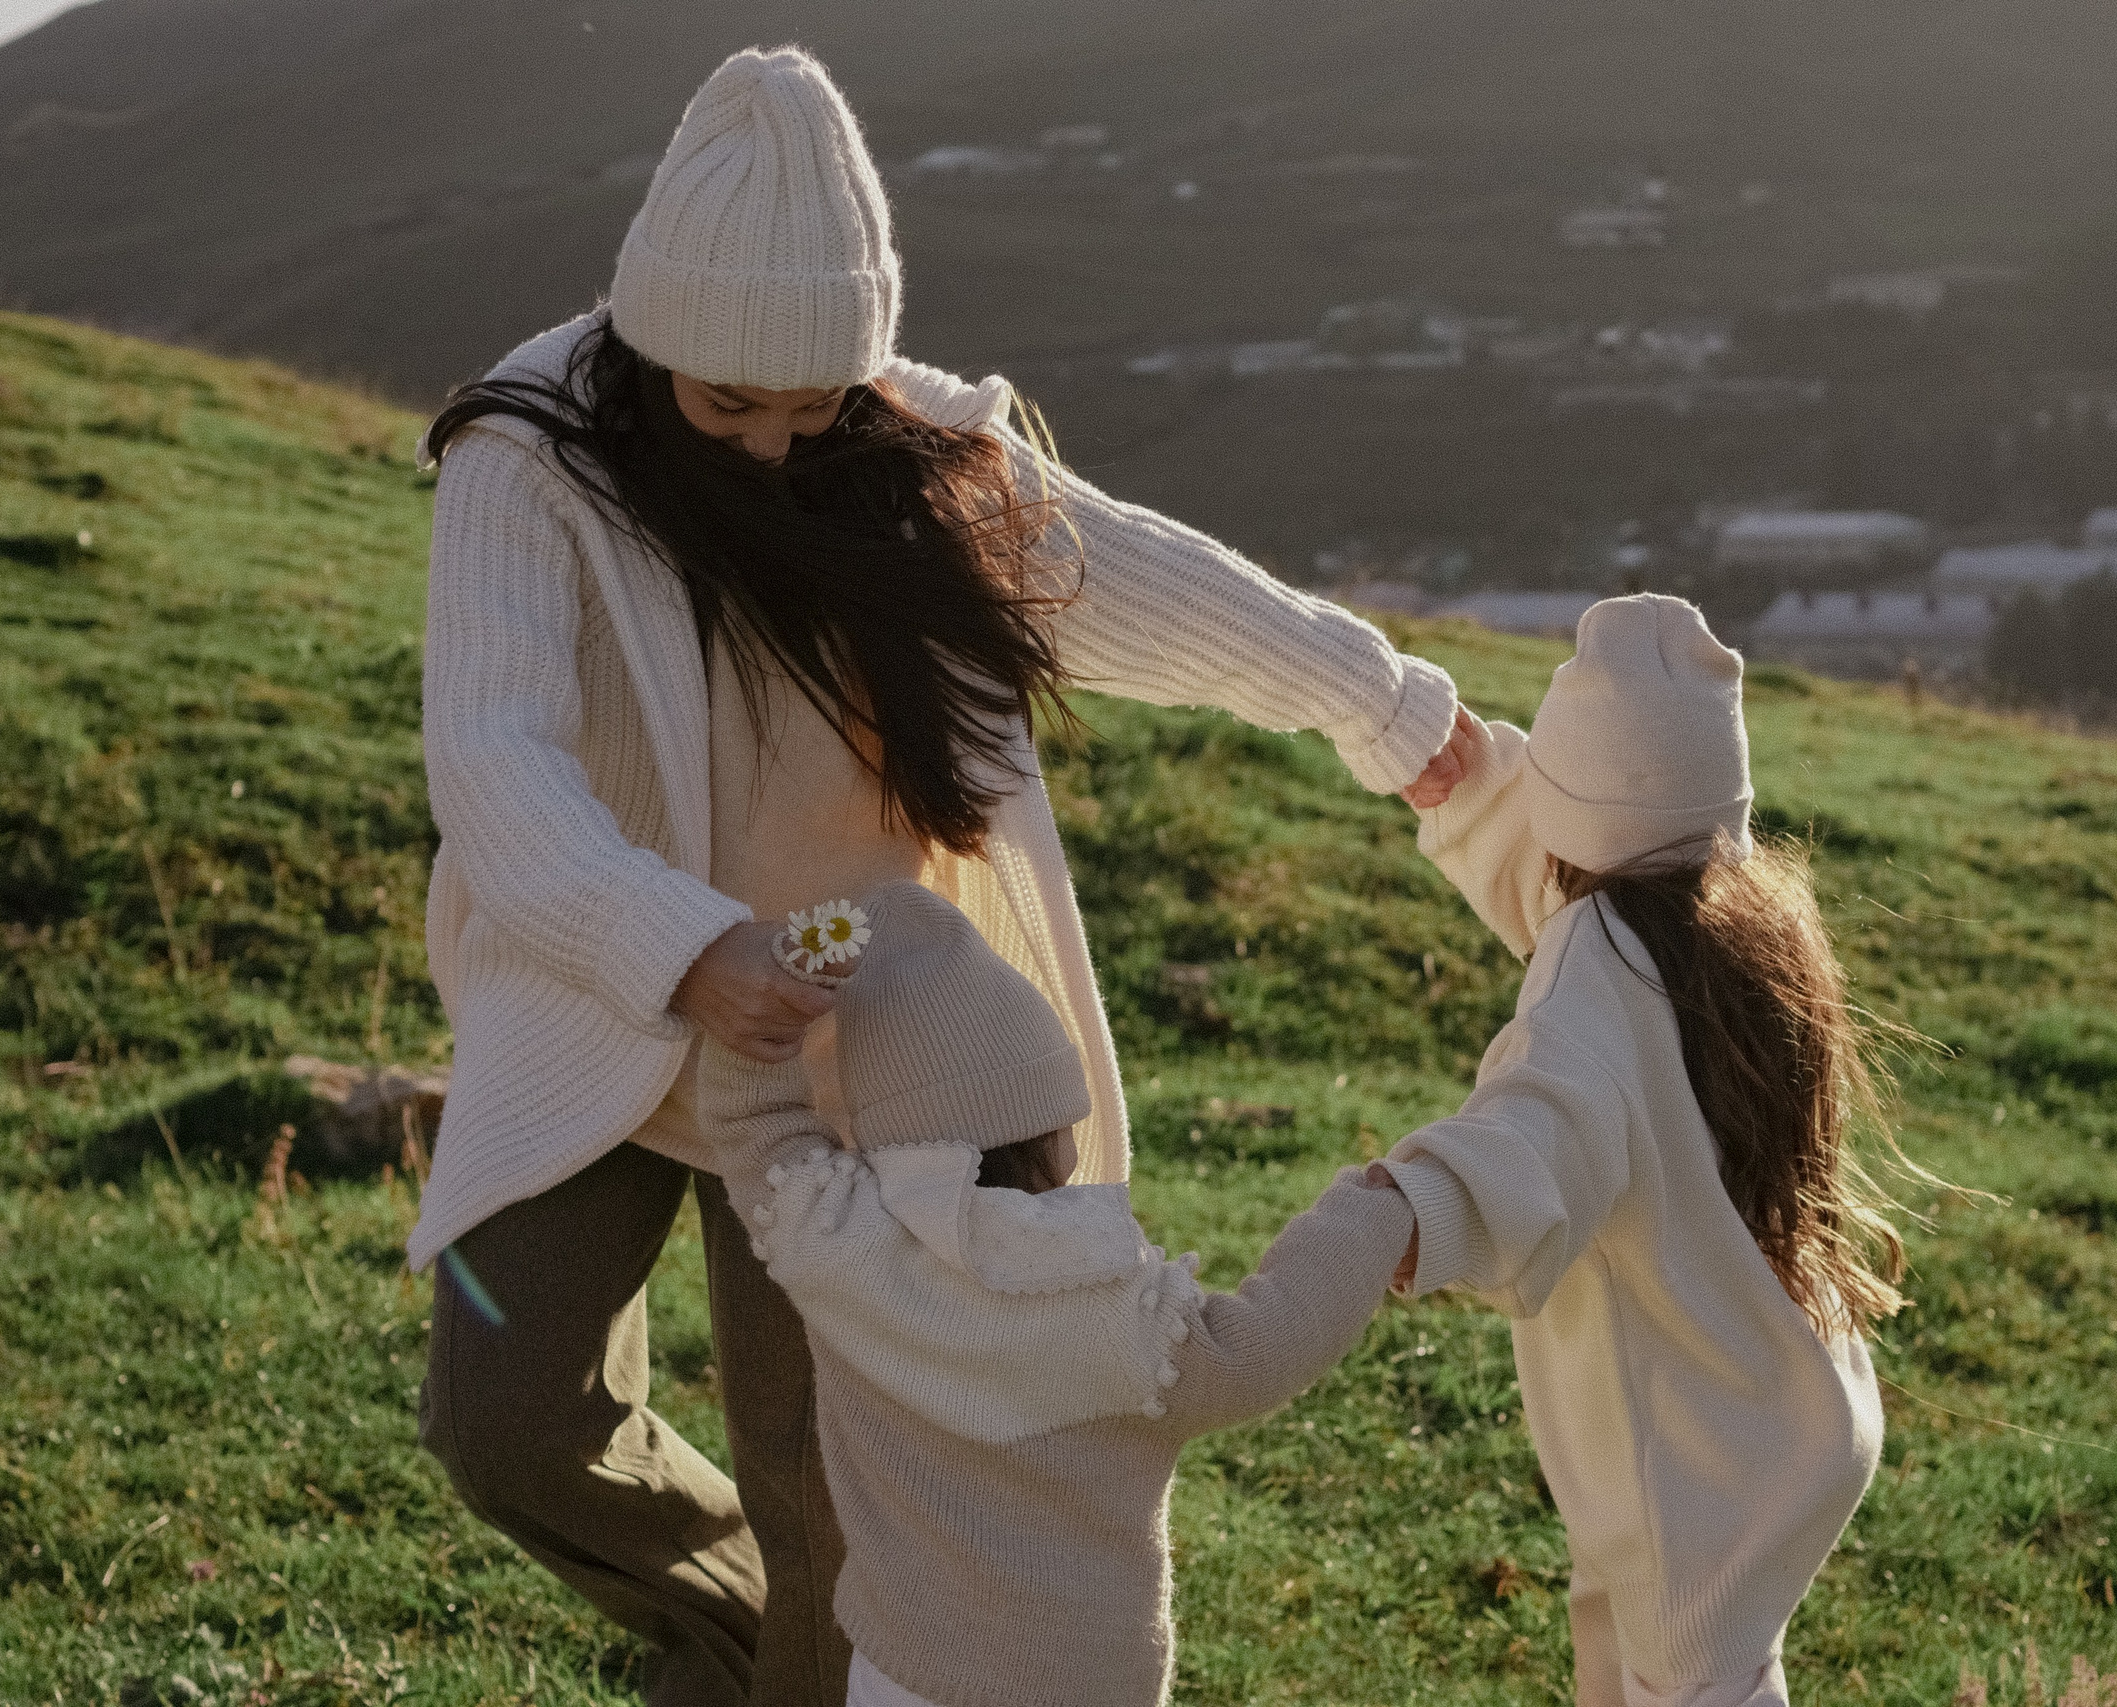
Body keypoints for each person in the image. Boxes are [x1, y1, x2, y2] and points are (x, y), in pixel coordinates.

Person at [408, 43, 1481, 1706]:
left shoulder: (909, 452)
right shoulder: (531, 455)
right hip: (613, 1001)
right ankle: (730, 1633)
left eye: (811, 403)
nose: (772, 444)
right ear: (650, 334)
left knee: (836, 1498)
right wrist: (684, 950)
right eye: (726, 405)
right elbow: (495, 760)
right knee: (507, 1420)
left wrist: (1397, 712)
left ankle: (797, 1671)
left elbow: (1153, 588)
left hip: (864, 1037)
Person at [1374, 595, 1911, 1707]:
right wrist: (1480, 791)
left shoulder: (1590, 975)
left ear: (1567, 825)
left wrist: (1422, 1205)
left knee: (1692, 1683)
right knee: (1629, 1652)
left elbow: (1541, 1126)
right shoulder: (1733, 919)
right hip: (1778, 1401)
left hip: (1686, 1467)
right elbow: (1582, 876)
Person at [699, 881, 1416, 1707]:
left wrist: (790, 974)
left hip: (900, 1672)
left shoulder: (839, 1243)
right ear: (1054, 1131)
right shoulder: (1112, 1307)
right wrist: (1372, 1212)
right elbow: (1265, 1345)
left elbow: (753, 1123)